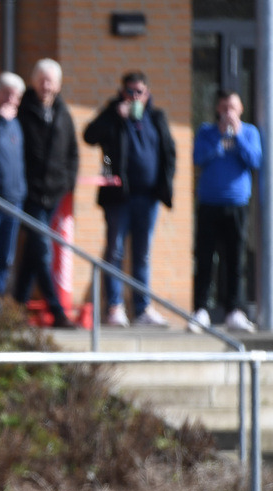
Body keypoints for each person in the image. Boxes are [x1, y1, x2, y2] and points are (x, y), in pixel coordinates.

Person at [84, 70, 176, 327]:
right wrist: (114, 116)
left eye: (139, 92)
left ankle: (142, 308)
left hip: (148, 198)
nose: (135, 97)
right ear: (122, 92)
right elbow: (89, 135)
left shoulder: (156, 117)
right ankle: (114, 307)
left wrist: (164, 188)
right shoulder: (113, 114)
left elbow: (168, 152)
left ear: (147, 93)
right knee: (115, 250)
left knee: (142, 253)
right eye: (130, 92)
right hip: (119, 196)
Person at [190, 89, 262, 333]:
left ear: (240, 109)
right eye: (224, 108)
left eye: (232, 107)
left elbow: (255, 160)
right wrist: (219, 140)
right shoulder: (206, 132)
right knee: (205, 257)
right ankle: (201, 309)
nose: (228, 112)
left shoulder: (250, 132)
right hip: (210, 203)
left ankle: (234, 310)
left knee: (235, 258)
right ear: (217, 109)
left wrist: (238, 136)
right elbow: (198, 158)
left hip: (237, 204)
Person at [12, 59, 77, 328]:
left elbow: (72, 151)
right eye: (42, 80)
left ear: (59, 85)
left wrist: (67, 184)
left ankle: (15, 308)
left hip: (54, 193)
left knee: (32, 252)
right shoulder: (23, 110)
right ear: (34, 82)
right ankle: (57, 310)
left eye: (50, 81)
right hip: (30, 193)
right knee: (41, 248)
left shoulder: (63, 112)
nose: (46, 86)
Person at [0, 72, 27, 297]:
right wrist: (2, 122)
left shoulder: (16, 123)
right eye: (7, 94)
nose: (11, 100)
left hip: (15, 199)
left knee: (7, 256)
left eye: (16, 96)